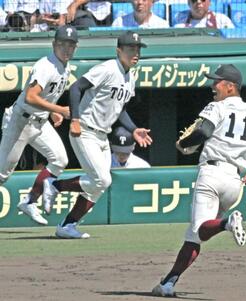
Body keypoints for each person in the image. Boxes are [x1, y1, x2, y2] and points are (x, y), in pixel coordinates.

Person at [151, 64, 246, 297]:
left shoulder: (217, 106)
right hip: (235, 181)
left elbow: (205, 131)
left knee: (201, 229)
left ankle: (227, 223)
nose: (213, 86)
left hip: (212, 174)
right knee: (195, 236)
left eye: (217, 82)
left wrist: (185, 143)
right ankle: (168, 283)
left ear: (230, 87)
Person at [42, 31, 153, 239]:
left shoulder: (130, 76)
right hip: (84, 129)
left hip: (102, 136)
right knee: (102, 179)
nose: (135, 53)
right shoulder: (108, 68)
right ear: (119, 50)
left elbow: (120, 109)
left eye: (138, 49)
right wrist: (74, 119)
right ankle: (55, 185)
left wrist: (133, 129)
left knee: (99, 186)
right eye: (130, 49)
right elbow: (76, 88)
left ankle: (67, 225)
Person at [0, 25, 78, 225]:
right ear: (54, 44)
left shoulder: (65, 66)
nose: (67, 48)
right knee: (2, 174)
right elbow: (30, 96)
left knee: (59, 159)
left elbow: (44, 96)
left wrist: (51, 111)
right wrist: (59, 109)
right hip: (19, 121)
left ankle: (30, 201)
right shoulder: (46, 66)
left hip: (40, 122)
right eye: (62, 44)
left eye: (71, 44)